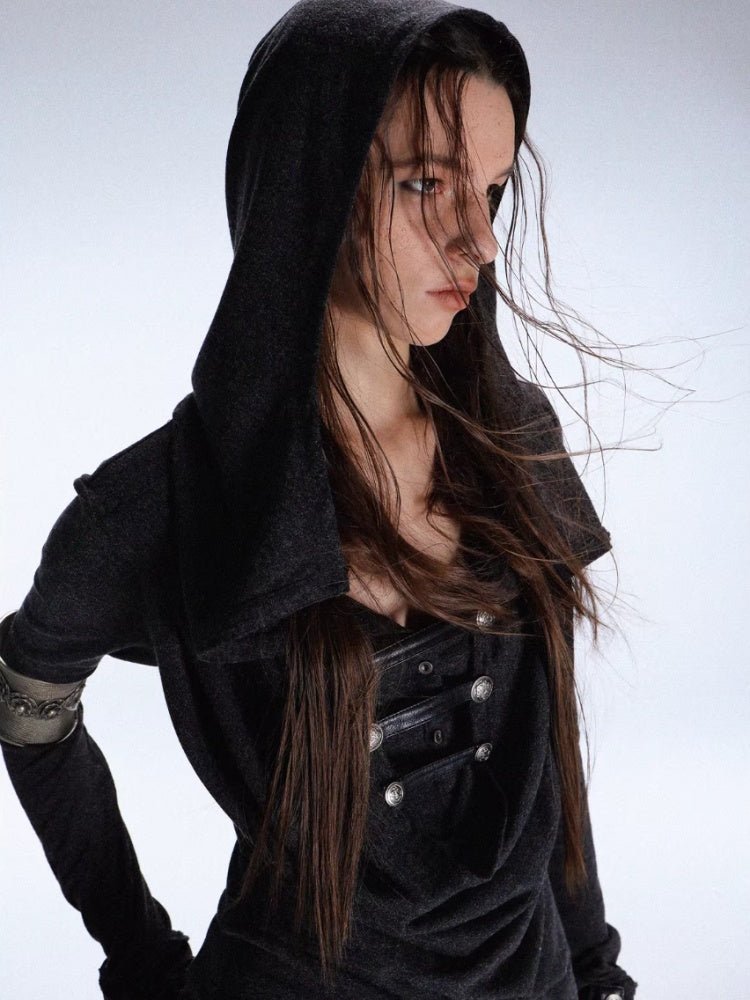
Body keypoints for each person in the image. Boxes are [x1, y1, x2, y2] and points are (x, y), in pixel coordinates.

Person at [0, 1, 638, 998]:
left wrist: (596, 973)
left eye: (492, 189)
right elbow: (27, 703)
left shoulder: (510, 437)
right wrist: (142, 959)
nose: (480, 240)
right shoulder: (162, 506)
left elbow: (546, 761)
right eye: (426, 183)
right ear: (311, 182)